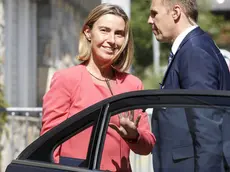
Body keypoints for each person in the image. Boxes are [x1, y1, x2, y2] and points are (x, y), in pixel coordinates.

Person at [40, 3, 156, 172]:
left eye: (119, 34)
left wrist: (134, 136)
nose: (112, 40)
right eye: (104, 30)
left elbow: (147, 146)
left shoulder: (133, 84)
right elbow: (48, 144)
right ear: (88, 33)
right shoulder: (67, 79)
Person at [147, 0, 230, 172]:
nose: (150, 20)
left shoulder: (194, 51)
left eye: (154, 13)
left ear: (176, 12)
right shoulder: (194, 47)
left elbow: (206, 128)